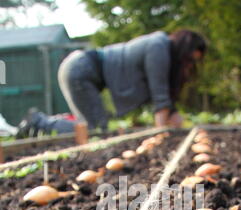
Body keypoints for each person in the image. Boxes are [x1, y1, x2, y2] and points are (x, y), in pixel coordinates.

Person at [17, 30, 206, 137]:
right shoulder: (159, 47)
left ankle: (46, 121)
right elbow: (160, 97)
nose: (190, 65)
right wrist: (161, 134)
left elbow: (164, 102)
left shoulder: (161, 46)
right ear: (183, 49)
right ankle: (40, 122)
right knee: (95, 129)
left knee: (91, 124)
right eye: (190, 58)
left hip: (81, 67)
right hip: (80, 69)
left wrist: (177, 122)